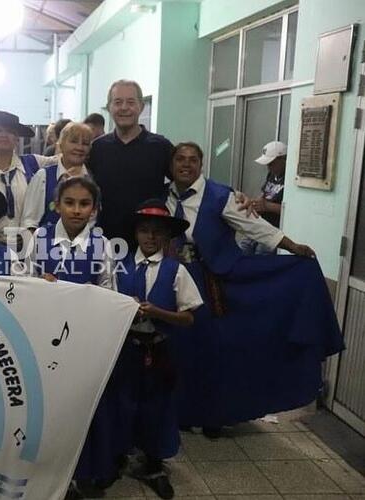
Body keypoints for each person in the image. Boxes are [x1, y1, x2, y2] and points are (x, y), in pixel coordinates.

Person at [166, 142, 344, 438]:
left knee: (214, 350)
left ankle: (213, 415)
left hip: (211, 283)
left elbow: (257, 227)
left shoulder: (221, 196)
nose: (186, 165)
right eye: (180, 159)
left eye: (193, 160)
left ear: (201, 164)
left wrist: (292, 246)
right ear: (171, 164)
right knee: (183, 348)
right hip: (176, 278)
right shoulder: (164, 195)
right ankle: (184, 411)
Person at [111, 199, 203, 500]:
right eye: (144, 231)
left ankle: (153, 463)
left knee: (157, 406)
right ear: (135, 234)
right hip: (125, 350)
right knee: (122, 403)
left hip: (159, 351)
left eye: (157, 232)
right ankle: (118, 456)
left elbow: (189, 318)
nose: (150, 237)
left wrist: (158, 313)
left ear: (166, 236)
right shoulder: (118, 267)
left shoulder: (176, 271)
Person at [28, 177, 113, 500]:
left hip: (83, 337)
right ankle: (46, 474)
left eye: (84, 204)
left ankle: (83, 472)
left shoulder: (102, 243)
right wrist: (40, 284)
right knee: (48, 405)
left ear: (94, 209)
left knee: (80, 405)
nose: (77, 210)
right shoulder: (40, 236)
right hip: (45, 333)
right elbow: (24, 280)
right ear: (57, 205)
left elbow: (109, 290)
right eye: (69, 203)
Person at [87, 79, 173, 246]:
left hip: (149, 243)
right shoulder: (97, 148)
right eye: (118, 102)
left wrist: (232, 196)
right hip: (105, 243)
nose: (124, 108)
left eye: (130, 102)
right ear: (109, 107)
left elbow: (188, 181)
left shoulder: (161, 147)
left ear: (141, 106)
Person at [0, 110, 58, 236]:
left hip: (28, 243)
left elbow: (64, 159)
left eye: (10, 131)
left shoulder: (33, 162)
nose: (4, 135)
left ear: (17, 139)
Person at [21, 122, 93, 230]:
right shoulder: (43, 176)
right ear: (61, 144)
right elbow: (29, 222)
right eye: (73, 141)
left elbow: (93, 221)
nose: (79, 147)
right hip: (46, 244)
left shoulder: (93, 179)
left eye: (85, 143)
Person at [242, 141, 287, 254]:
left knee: (261, 257)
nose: (269, 167)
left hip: (274, 229)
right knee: (242, 250)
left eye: (272, 163)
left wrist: (268, 206)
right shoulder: (272, 175)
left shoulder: (289, 179)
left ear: (283, 159)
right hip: (261, 224)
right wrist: (254, 203)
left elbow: (292, 210)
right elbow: (264, 194)